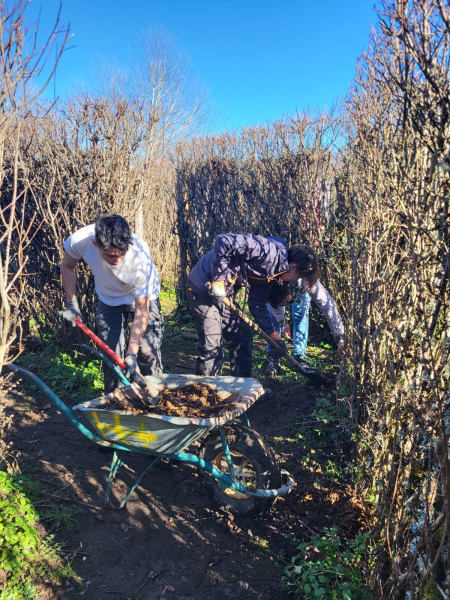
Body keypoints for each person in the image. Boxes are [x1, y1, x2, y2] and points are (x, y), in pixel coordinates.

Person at [186, 233, 334, 377]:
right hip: (203, 287)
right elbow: (223, 240)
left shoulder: (273, 272)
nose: (295, 281)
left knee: (242, 336)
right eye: (299, 277)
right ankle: (207, 393)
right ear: (294, 266)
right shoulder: (267, 251)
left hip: (224, 294)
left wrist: (275, 337)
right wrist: (218, 281)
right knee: (212, 344)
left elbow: (257, 304)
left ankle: (242, 389)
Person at [59, 214, 163, 393]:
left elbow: (141, 312)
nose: (117, 260)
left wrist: (132, 353)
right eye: (110, 255)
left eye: (121, 254)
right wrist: (72, 303)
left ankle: (155, 396)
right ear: (95, 244)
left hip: (143, 297)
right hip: (109, 297)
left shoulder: (141, 257)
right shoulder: (80, 241)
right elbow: (67, 266)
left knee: (147, 352)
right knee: (112, 355)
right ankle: (115, 404)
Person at [265, 279, 345, 378]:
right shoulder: (272, 281)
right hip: (280, 285)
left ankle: (300, 356)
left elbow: (327, 305)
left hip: (301, 283)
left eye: (286, 302)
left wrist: (339, 336)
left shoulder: (308, 280)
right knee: (272, 316)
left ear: (289, 289)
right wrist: (283, 323)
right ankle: (273, 355)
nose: (285, 305)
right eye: (282, 304)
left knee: (300, 316)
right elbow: (275, 307)